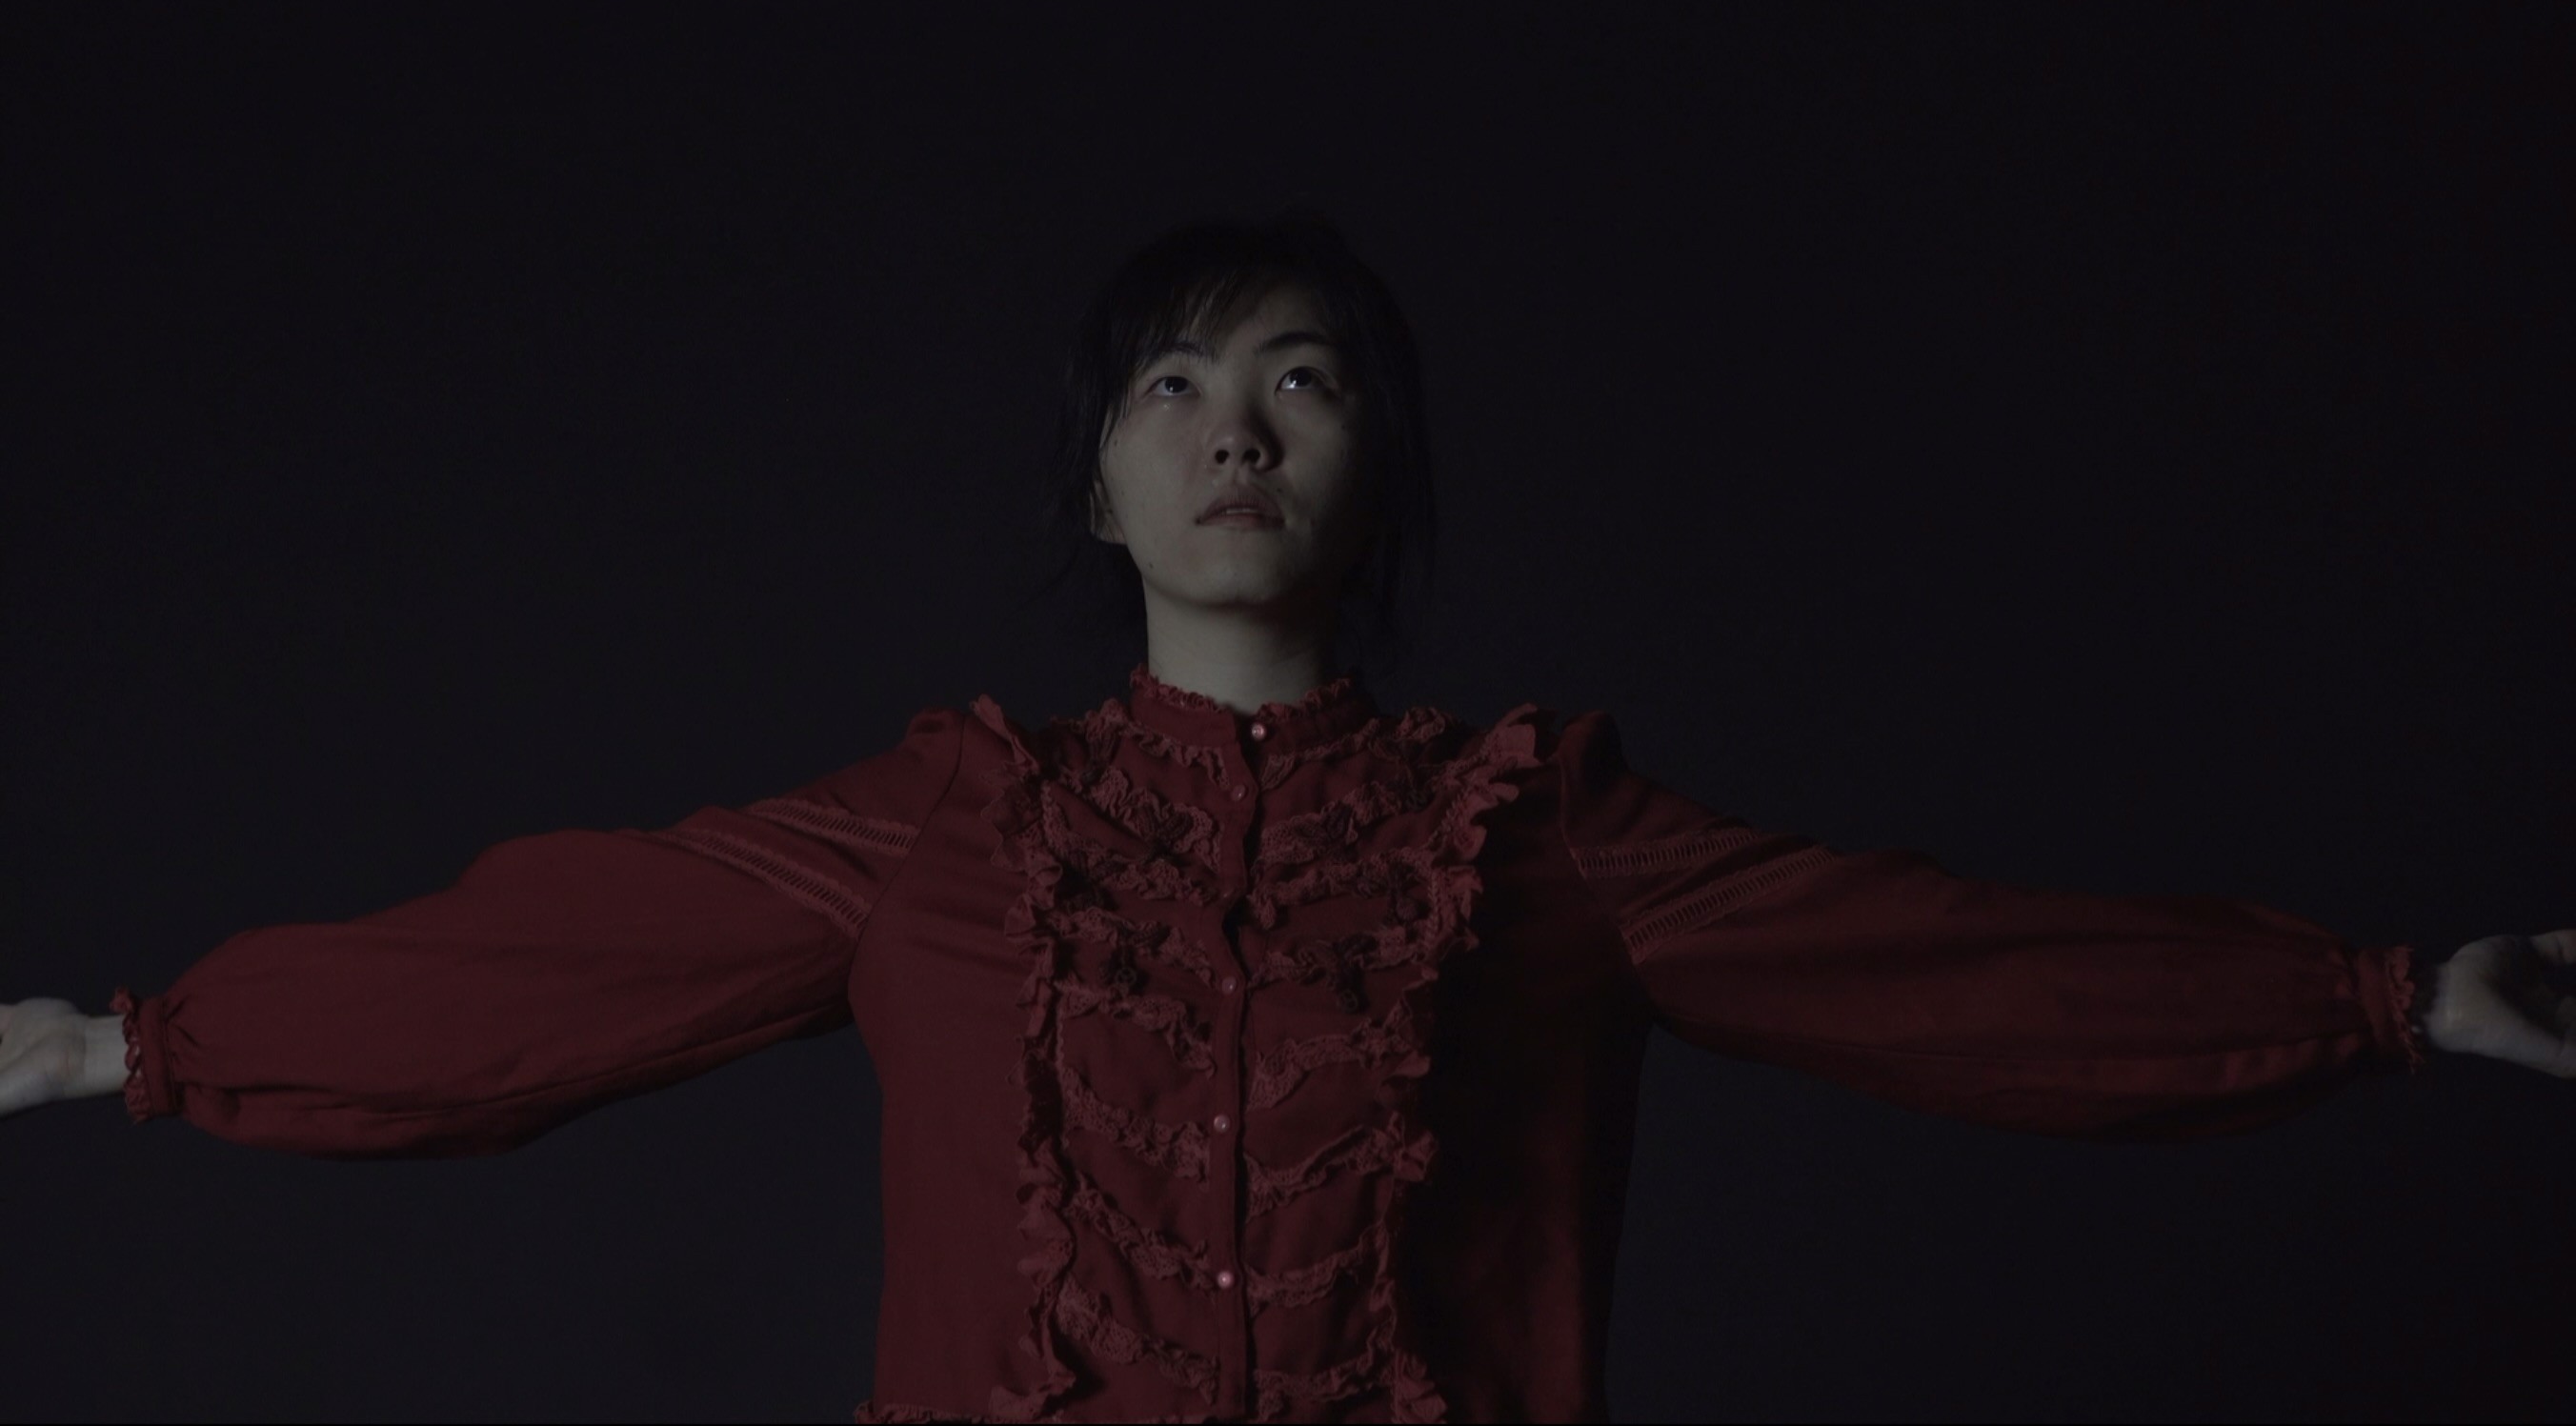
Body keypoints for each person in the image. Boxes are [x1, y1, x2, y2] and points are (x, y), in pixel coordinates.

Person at [3, 208, 2569, 1425]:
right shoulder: (941, 829)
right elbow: (549, 965)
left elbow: (1946, 964)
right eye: (1174, 390)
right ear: (1104, 484)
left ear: (1375, 471)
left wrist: (2389, 1001)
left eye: (1302, 382)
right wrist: (139, 1044)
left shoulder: (1541, 835)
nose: (1234, 430)